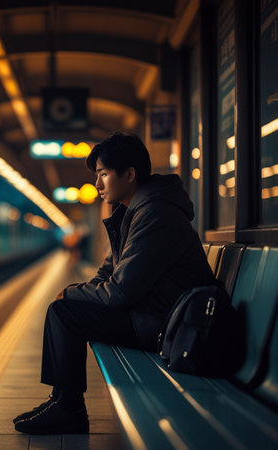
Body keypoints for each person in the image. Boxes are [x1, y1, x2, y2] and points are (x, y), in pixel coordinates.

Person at [13, 132, 215, 434]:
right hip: (156, 314)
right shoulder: (136, 212)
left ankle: (68, 408)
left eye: (104, 174)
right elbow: (108, 272)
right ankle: (61, 400)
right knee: (65, 307)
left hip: (169, 327)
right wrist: (76, 294)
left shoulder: (155, 214)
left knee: (63, 313)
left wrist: (70, 293)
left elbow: (120, 291)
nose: (98, 185)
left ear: (130, 174)